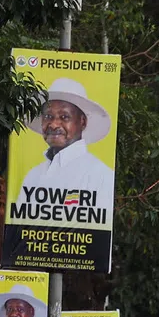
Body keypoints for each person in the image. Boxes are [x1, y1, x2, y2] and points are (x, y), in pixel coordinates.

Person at [18, 78, 116, 218]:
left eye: (64, 117)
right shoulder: (33, 175)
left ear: (82, 121)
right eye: (48, 116)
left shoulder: (100, 176)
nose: (53, 124)